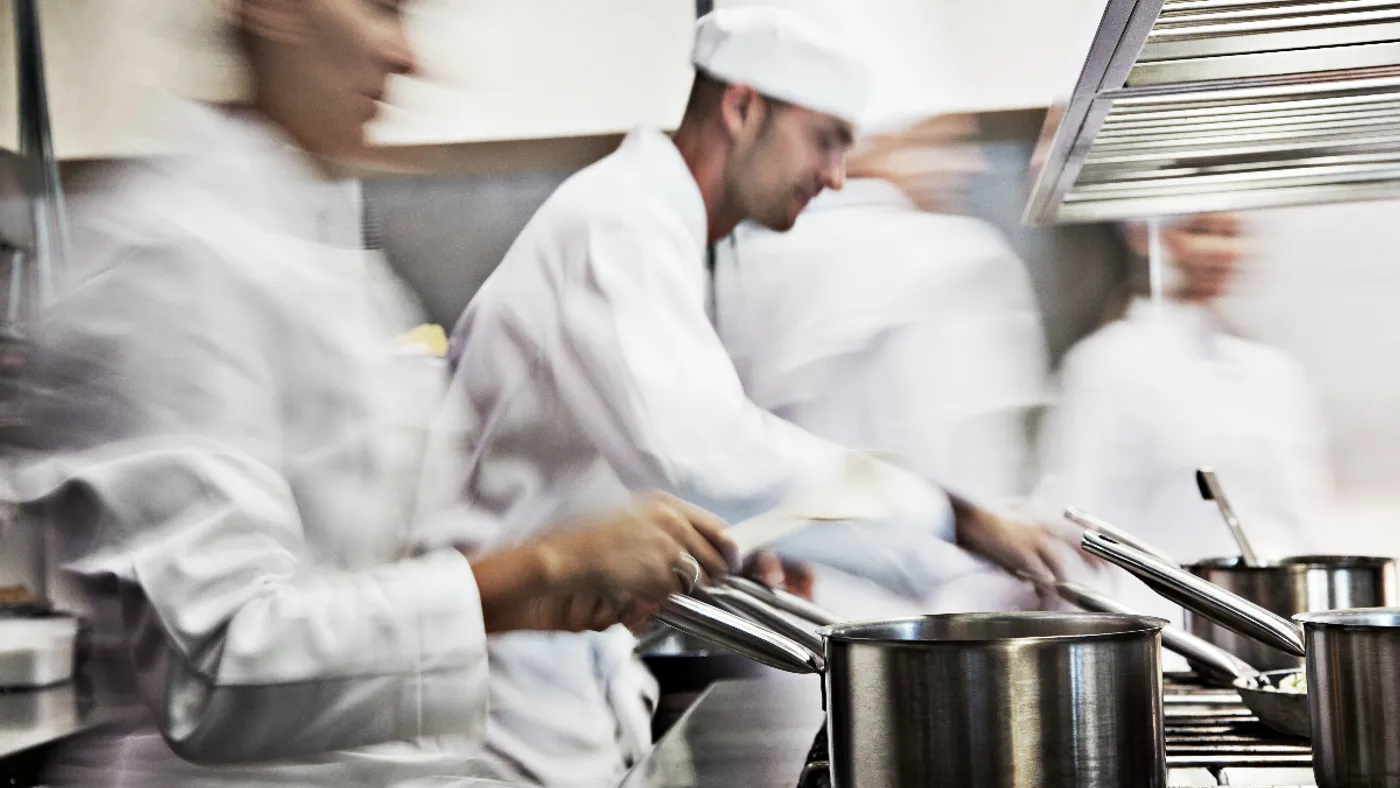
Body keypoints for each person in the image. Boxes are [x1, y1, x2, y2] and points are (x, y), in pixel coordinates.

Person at [9, 2, 735, 787]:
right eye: (380, 7)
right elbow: (214, 668)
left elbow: (368, 579)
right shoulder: (164, 256)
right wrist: (541, 572)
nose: (405, 56)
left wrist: (544, 593)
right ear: (274, 10)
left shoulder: (313, 248)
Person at [435, 8, 1075, 785]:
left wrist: (749, 547)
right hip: (497, 712)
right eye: (826, 139)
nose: (838, 174)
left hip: (562, 696)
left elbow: (649, 465)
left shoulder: (663, 233)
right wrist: (959, 517)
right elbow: (706, 452)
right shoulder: (617, 223)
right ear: (742, 109)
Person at [713, 113, 1062, 618]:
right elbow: (968, 473)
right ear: (872, 145)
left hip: (805, 608)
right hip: (925, 610)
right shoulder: (948, 258)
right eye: (937, 142)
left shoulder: (755, 261)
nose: (965, 165)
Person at [1035, 212, 1332, 635]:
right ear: (1144, 237)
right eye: (1199, 231)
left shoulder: (1274, 372)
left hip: (1272, 631)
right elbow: (1077, 525)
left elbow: (1303, 520)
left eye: (1232, 233)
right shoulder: (1107, 364)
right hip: (1158, 637)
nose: (1220, 250)